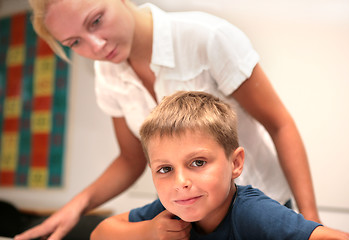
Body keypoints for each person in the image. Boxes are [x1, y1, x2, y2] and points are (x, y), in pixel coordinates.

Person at [16, 0, 321, 239]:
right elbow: (131, 157)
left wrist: (309, 220)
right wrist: (77, 206)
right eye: (75, 42)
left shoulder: (206, 38)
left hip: (260, 208)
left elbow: (279, 124)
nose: (96, 46)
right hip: (197, 216)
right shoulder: (107, 74)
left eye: (96, 20)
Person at [90, 91, 349, 240]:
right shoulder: (173, 208)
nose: (180, 181)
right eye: (165, 169)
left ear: (236, 163)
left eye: (198, 162)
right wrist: (148, 231)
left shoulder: (253, 213)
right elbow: (100, 233)